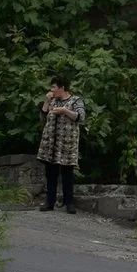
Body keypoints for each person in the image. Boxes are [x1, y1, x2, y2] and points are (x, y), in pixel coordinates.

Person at [36, 75, 85, 214]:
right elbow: (42, 118)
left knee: (67, 174)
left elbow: (81, 117)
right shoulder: (53, 101)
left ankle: (69, 203)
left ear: (62, 87)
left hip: (67, 144)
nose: (52, 90)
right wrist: (46, 101)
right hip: (50, 143)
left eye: (54, 87)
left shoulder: (75, 100)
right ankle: (49, 202)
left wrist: (65, 111)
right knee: (50, 173)